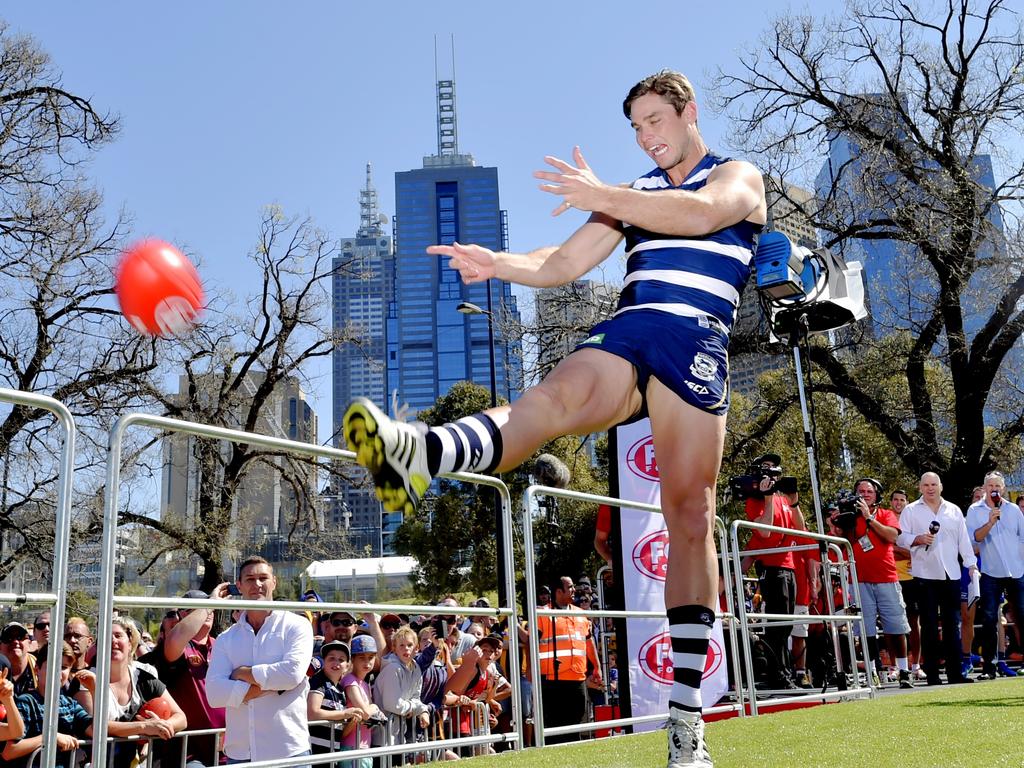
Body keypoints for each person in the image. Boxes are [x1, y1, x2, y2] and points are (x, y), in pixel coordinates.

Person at [344, 69, 765, 768]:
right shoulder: (633, 196)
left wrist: (604, 193)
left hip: (696, 337)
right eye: (636, 127)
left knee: (690, 515)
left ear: (689, 113)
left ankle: (687, 719)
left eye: (655, 120)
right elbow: (564, 261)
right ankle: (416, 453)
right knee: (552, 400)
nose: (646, 136)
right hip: (633, 327)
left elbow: (700, 216)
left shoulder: (737, 176)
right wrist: (498, 262)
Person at [206, 556, 314, 764]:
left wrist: (241, 674)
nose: (257, 584)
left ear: (274, 582)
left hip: (288, 751)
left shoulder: (297, 626)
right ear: (239, 585)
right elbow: (214, 693)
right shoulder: (226, 638)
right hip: (240, 754)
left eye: (263, 578)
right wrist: (269, 685)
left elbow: (291, 674)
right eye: (249, 579)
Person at [896, 473, 978, 685]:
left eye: (934, 484)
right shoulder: (911, 510)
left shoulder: (954, 510)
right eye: (926, 485)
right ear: (920, 487)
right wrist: (918, 538)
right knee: (929, 625)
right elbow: (900, 537)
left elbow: (963, 540)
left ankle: (955, 673)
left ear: (940, 486)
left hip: (951, 574)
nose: (930, 488)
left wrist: (971, 564)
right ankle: (932, 674)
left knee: (953, 625)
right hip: (924, 574)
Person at [829, 478, 912, 688]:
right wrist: (835, 522)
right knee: (865, 629)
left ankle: (903, 670)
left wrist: (868, 518)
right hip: (859, 579)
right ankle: (873, 672)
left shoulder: (885, 514)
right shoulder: (850, 516)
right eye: (861, 491)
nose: (865, 494)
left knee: (896, 625)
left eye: (869, 491)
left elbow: (891, 536)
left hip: (887, 577)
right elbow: (840, 538)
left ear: (877, 495)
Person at [74, 616, 188, 768]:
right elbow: (96, 728)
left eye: (118, 635)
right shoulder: (86, 679)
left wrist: (161, 726)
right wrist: (144, 727)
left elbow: (181, 718)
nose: (113, 641)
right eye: (107, 637)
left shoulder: (143, 678)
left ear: (130, 642)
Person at [139, 588, 228, 767]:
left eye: (211, 606)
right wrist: (210, 603)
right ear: (183, 614)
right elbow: (176, 638)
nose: (209, 612)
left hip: (225, 748)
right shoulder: (177, 646)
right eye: (199, 607)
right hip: (188, 752)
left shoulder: (222, 644)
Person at [745, 454, 804, 687]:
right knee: (777, 624)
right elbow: (765, 532)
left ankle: (783, 672)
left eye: (774, 470)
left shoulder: (783, 498)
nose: (771, 474)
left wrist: (795, 502)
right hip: (771, 567)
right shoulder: (754, 500)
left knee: (786, 624)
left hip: (789, 565)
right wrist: (768, 498)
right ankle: (777, 675)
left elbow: (800, 529)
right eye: (766, 470)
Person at [965, 471, 1024, 679]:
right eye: (990, 486)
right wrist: (990, 522)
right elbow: (973, 540)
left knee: (1022, 616)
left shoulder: (1014, 510)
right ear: (985, 488)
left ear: (1004, 489)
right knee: (990, 619)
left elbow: (1022, 538)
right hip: (990, 572)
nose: (994, 489)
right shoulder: (975, 510)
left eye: (997, 486)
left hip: (1016, 571)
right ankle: (990, 667)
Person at [535, 576, 602, 744]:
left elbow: (589, 641)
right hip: (552, 679)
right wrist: (530, 669)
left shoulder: (580, 613)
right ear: (558, 591)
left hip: (577, 678)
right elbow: (532, 643)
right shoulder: (543, 613)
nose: (574, 590)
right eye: (570, 587)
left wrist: (597, 667)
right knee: (554, 725)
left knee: (577, 720)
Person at [2, 641, 87, 768]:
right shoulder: (26, 702)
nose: (58, 671)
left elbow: (98, 729)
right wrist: (51, 738)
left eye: (64, 667)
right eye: (52, 665)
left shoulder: (70, 704)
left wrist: (95, 690)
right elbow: (9, 751)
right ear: (37, 669)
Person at [307, 640, 364, 763]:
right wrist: (345, 714)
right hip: (314, 754)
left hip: (331, 754)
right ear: (324, 661)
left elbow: (340, 733)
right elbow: (312, 713)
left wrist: (352, 721)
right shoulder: (318, 682)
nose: (336, 663)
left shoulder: (340, 691)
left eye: (341, 660)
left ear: (348, 666)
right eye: (331, 658)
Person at [891, 489, 925, 680]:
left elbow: (918, 549)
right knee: (893, 624)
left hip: (912, 578)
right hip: (892, 578)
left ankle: (916, 665)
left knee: (914, 623)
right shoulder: (887, 520)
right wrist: (904, 550)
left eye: (902, 500)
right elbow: (889, 549)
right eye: (895, 499)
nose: (898, 503)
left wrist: (903, 551)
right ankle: (896, 666)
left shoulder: (912, 520)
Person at [341, 634, 385, 768]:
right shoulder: (350, 681)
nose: (367, 663)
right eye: (361, 658)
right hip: (352, 746)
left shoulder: (364, 684)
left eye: (371, 658)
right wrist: (374, 707)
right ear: (352, 659)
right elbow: (366, 713)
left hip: (363, 745)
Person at [0, 624, 35, 695]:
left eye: (20, 637)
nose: (15, 641)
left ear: (29, 643)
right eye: (8, 638)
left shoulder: (42, 669)